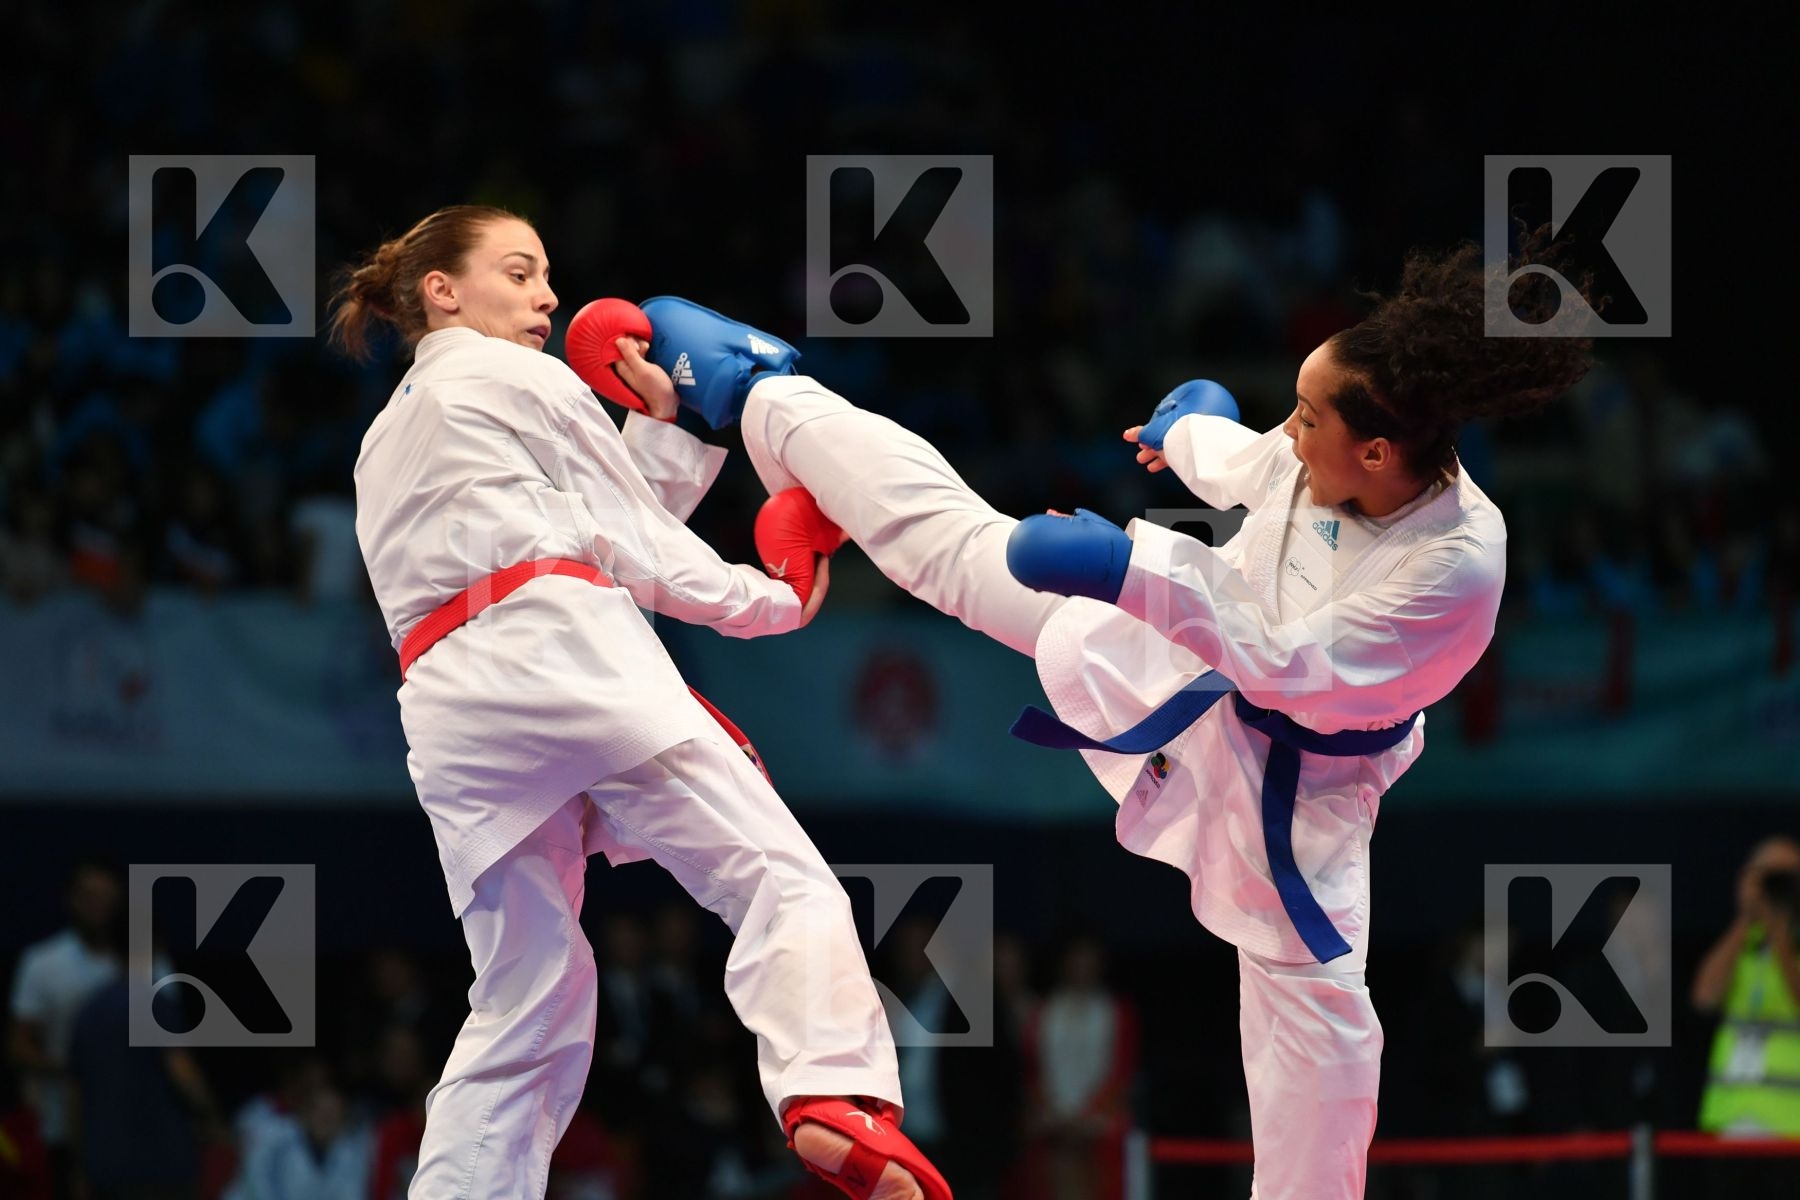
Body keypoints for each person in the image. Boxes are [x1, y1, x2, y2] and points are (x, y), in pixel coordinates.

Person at [608, 224, 1598, 1199]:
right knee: (961, 549)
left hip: (1298, 796)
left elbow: (1292, 667)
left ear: (1378, 453)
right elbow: (1258, 466)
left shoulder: (1457, 567)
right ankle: (759, 389)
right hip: (1174, 669)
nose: (1287, 431)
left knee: (1324, 1037)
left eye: (1303, 417)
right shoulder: (1328, 456)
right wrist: (1190, 433)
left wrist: (1131, 569)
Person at [329, 205, 947, 1200]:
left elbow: (592, 529)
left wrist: (665, 421)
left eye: (547, 276)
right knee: (778, 879)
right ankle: (834, 1093)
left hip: (451, 706)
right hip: (561, 653)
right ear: (441, 291)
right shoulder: (519, 374)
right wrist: (773, 600)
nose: (548, 295)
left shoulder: (382, 441)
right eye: (520, 272)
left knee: (527, 998)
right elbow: (632, 546)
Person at [1693, 835, 1800, 1135]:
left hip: (1790, 1125)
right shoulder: (1740, 946)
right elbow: (1704, 997)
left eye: (1786, 879)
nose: (1777, 889)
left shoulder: (1793, 951)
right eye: (1769, 877)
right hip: (1732, 1119)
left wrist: (1780, 931)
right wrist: (1747, 916)